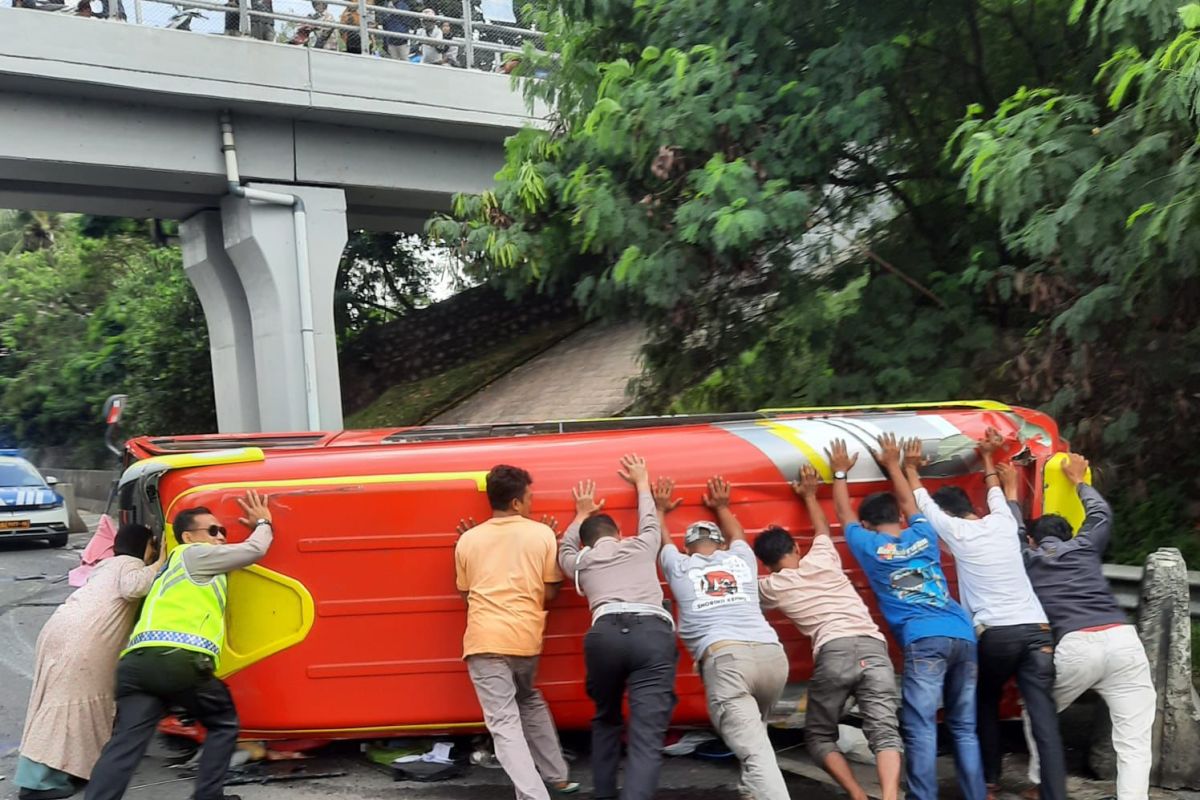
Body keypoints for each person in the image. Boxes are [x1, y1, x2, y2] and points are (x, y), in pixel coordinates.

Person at [903, 432, 1066, 800]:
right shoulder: (1004, 523)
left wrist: (910, 469)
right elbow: (996, 491)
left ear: (948, 515)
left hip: (998, 635)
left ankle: (989, 782)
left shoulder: (955, 531)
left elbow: (921, 504)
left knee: (983, 700)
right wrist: (989, 457)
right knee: (1044, 723)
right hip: (1039, 632)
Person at [85, 490, 276, 800]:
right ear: (188, 536)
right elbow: (255, 549)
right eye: (213, 531)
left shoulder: (167, 571)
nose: (221, 537)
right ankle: (208, 797)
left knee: (125, 744)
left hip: (136, 666)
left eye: (223, 531)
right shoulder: (194, 554)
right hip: (177, 661)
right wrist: (264, 521)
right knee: (223, 723)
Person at [829, 437, 985, 800]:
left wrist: (840, 472)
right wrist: (893, 464)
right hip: (962, 633)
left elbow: (843, 514)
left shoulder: (867, 546)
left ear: (867, 524)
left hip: (924, 640)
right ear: (899, 518)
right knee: (964, 728)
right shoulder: (923, 533)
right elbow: (908, 501)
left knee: (921, 727)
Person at [753, 465, 902, 800]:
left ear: (766, 564)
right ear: (795, 547)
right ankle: (891, 796)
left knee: (820, 736)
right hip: (873, 647)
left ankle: (857, 795)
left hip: (833, 652)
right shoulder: (823, 558)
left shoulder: (771, 586)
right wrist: (808, 495)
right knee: (884, 732)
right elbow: (822, 527)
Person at [1020, 453, 1156, 800]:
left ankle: (1042, 783)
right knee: (1134, 741)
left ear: (1034, 540)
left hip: (1075, 645)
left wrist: (1007, 492)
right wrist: (1079, 481)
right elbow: (1100, 515)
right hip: (1124, 642)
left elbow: (1008, 533)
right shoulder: (1083, 547)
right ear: (1069, 535)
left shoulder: (1028, 558)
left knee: (1037, 712)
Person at [659, 474, 790, 800]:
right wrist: (722, 506)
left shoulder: (678, 565)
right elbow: (738, 534)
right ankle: (752, 792)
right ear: (720, 545)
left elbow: (661, 542)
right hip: (773, 657)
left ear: (688, 548)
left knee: (755, 752)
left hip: (728, 661)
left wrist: (659, 510)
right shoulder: (741, 559)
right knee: (756, 740)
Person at [455, 465, 579, 800]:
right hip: (526, 640)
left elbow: (467, 595)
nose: (532, 503)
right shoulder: (540, 535)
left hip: (485, 641)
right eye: (529, 498)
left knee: (504, 723)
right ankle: (558, 776)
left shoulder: (468, 539)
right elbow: (550, 593)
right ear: (515, 503)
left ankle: (534, 795)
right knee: (528, 697)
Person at [557, 455, 677, 800]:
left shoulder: (581, 562)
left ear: (588, 542)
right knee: (645, 737)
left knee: (606, 718)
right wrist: (642, 481)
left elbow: (563, 548)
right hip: (651, 634)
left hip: (604, 635)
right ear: (619, 534)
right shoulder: (641, 545)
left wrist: (580, 513)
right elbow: (650, 520)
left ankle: (605, 794)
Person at [16, 523, 163, 800]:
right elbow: (134, 587)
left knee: (56, 702)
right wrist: (161, 563)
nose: (154, 552)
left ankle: (50, 773)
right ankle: (42, 782)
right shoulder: (128, 564)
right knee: (72, 706)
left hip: (61, 630)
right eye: (152, 546)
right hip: (84, 640)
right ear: (143, 546)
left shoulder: (106, 564)